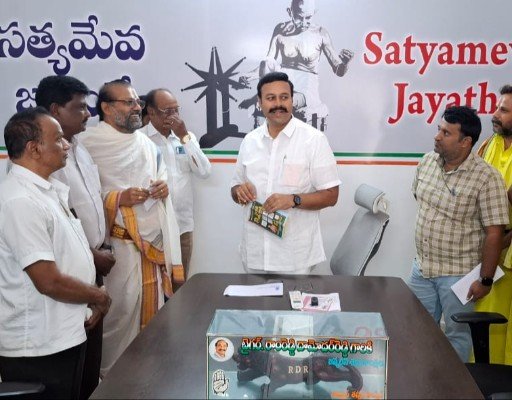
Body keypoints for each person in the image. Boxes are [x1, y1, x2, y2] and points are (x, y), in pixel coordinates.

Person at [0, 107, 111, 399]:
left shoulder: (46, 190)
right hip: (39, 347)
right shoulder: (20, 200)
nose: (67, 145)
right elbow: (47, 281)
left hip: (64, 334)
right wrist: (99, 296)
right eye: (59, 139)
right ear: (34, 149)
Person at [76, 79, 183, 375]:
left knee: (151, 315)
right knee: (118, 315)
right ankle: (111, 379)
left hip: (151, 249)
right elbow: (79, 200)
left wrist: (163, 188)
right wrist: (118, 198)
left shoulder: (146, 144)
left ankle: (144, 377)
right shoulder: (88, 144)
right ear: (107, 108)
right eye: (129, 102)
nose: (137, 107)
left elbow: (160, 176)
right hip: (116, 250)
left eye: (137, 102)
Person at [35, 75, 115, 398]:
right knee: (71, 370)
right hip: (67, 272)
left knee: (90, 364)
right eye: (80, 107)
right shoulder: (43, 159)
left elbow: (91, 203)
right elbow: (58, 221)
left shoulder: (79, 149)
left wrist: (103, 247)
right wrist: (93, 255)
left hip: (93, 264)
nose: (88, 114)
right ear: (56, 109)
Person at [408, 105, 509, 362]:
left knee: (457, 335)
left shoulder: (487, 178)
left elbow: (495, 233)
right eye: (438, 129)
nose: (437, 136)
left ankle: (452, 384)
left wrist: (485, 280)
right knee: (416, 330)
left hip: (458, 274)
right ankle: (422, 379)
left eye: (446, 133)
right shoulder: (427, 162)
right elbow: (419, 198)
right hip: (422, 268)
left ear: (465, 142)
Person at [231, 72, 340, 274]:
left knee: (294, 298)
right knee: (254, 297)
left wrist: (293, 200)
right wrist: (239, 191)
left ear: (292, 100)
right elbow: (235, 188)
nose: (278, 104)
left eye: (284, 97)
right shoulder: (249, 141)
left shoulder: (313, 140)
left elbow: (331, 195)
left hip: (295, 259)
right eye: (271, 98)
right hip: (255, 253)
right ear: (260, 103)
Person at [239, 0, 353, 130]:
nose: (304, 23)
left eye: (308, 17)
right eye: (299, 17)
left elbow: (338, 70)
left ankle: (266, 101)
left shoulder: (321, 33)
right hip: (283, 79)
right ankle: (264, 98)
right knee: (266, 62)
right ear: (290, 12)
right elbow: (268, 64)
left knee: (287, 99)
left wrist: (345, 63)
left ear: (314, 13)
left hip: (305, 86)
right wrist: (249, 75)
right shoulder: (280, 30)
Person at [142, 89, 211, 279]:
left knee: (180, 283)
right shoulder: (140, 139)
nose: (173, 116)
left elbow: (204, 172)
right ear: (151, 112)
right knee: (153, 284)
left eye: (176, 110)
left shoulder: (186, 137)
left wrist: (184, 137)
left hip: (182, 227)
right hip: (152, 229)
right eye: (167, 111)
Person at [475, 84, 512, 365]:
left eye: (504, 110)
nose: (495, 114)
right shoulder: (490, 144)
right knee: (485, 320)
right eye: (498, 107)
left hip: (506, 246)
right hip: (490, 250)